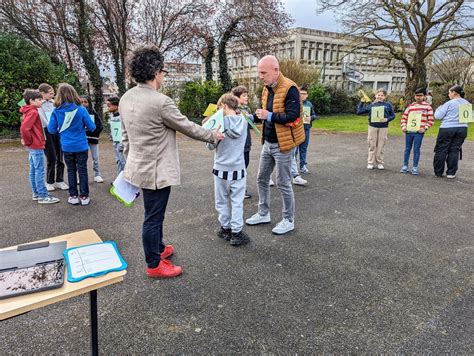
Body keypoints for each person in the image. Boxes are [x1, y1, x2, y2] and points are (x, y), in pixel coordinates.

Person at [119, 46, 224, 278]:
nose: (163, 75)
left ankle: (158, 248)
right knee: (153, 217)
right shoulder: (161, 101)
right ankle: (154, 264)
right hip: (157, 171)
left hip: (138, 166)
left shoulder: (126, 98)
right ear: (156, 72)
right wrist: (213, 136)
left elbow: (124, 136)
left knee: (152, 213)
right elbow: (187, 126)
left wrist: (130, 161)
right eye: (163, 71)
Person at [245, 55, 305, 235]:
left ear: (276, 71)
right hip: (268, 143)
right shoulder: (266, 88)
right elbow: (264, 113)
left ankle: (288, 220)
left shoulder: (290, 88)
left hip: (284, 145)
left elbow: (293, 116)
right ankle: (264, 213)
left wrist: (268, 116)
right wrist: (252, 118)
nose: (260, 76)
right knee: (262, 178)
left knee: (283, 183)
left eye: (263, 72)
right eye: (259, 72)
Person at [207, 93, 250, 246]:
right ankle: (237, 233)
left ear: (224, 106)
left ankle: (225, 228)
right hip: (238, 168)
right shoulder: (243, 122)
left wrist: (214, 135)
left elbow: (210, 145)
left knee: (222, 201)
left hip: (220, 169)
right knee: (237, 202)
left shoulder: (219, 123)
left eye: (219, 107)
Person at [48, 83, 96, 205]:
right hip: (81, 145)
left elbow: (51, 130)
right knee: (83, 170)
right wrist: (81, 127)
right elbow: (92, 127)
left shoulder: (56, 111)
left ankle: (73, 195)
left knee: (71, 170)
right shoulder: (81, 109)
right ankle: (84, 196)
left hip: (66, 145)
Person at [20, 89, 60, 204]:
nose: (41, 101)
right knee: (39, 171)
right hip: (36, 145)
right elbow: (24, 128)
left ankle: (36, 193)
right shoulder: (33, 112)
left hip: (33, 145)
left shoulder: (28, 110)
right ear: (31, 101)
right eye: (39, 99)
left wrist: (28, 142)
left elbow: (24, 127)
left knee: (33, 170)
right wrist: (29, 141)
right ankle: (43, 195)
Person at [433, 85, 470, 179]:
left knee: (442, 149)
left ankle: (438, 172)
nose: (448, 94)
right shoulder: (467, 103)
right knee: (454, 150)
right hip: (462, 128)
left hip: (447, 128)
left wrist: (438, 108)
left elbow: (438, 116)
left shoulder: (449, 103)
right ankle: (451, 172)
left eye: (449, 92)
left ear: (454, 93)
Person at [38, 83, 68, 192]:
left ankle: (60, 180)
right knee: (51, 157)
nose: (52, 95)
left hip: (57, 130)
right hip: (46, 131)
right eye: (50, 94)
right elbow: (42, 119)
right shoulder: (38, 105)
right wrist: (51, 127)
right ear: (42, 93)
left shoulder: (54, 103)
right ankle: (49, 181)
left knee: (60, 156)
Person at [356, 88, 395, 170]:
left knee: (381, 145)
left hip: (383, 127)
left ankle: (380, 162)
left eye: (382, 95)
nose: (380, 96)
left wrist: (387, 119)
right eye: (379, 95)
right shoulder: (371, 105)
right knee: (372, 145)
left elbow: (393, 115)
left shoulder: (388, 105)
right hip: (372, 127)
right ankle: (370, 162)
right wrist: (362, 102)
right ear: (375, 96)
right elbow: (359, 112)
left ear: (385, 97)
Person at [400, 88, 434, 175]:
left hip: (419, 132)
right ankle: (405, 165)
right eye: (417, 95)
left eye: (420, 95)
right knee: (407, 149)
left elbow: (430, 121)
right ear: (415, 96)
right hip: (409, 131)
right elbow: (404, 118)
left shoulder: (427, 107)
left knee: (416, 149)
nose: (418, 97)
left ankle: (415, 167)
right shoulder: (410, 106)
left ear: (424, 96)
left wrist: (424, 128)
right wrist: (403, 127)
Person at [231, 85, 253, 199]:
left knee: (245, 165)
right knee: (237, 167)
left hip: (246, 142)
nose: (247, 97)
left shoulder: (247, 109)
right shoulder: (232, 110)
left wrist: (250, 118)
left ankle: (238, 188)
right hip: (236, 144)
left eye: (247, 95)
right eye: (244, 95)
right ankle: (239, 189)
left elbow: (251, 124)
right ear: (236, 97)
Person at [80, 95, 104, 183]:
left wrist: (92, 132)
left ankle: (97, 174)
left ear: (89, 103)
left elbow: (100, 126)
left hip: (93, 139)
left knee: (95, 158)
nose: (83, 104)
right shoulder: (77, 114)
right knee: (82, 159)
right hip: (82, 140)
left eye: (85, 102)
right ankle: (81, 176)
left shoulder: (94, 114)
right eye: (81, 102)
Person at [297, 85, 317, 174]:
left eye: (304, 94)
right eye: (301, 94)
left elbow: (315, 115)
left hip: (306, 129)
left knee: (303, 148)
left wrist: (311, 118)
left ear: (307, 95)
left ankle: (302, 166)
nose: (303, 95)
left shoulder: (309, 104)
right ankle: (292, 167)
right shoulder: (295, 104)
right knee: (294, 150)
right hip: (296, 129)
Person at [107, 96, 126, 173]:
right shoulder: (112, 116)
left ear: (116, 106)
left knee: (123, 161)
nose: (108, 108)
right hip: (115, 142)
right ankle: (119, 179)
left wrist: (122, 142)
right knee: (118, 161)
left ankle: (126, 180)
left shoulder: (122, 116)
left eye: (109, 105)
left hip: (121, 143)